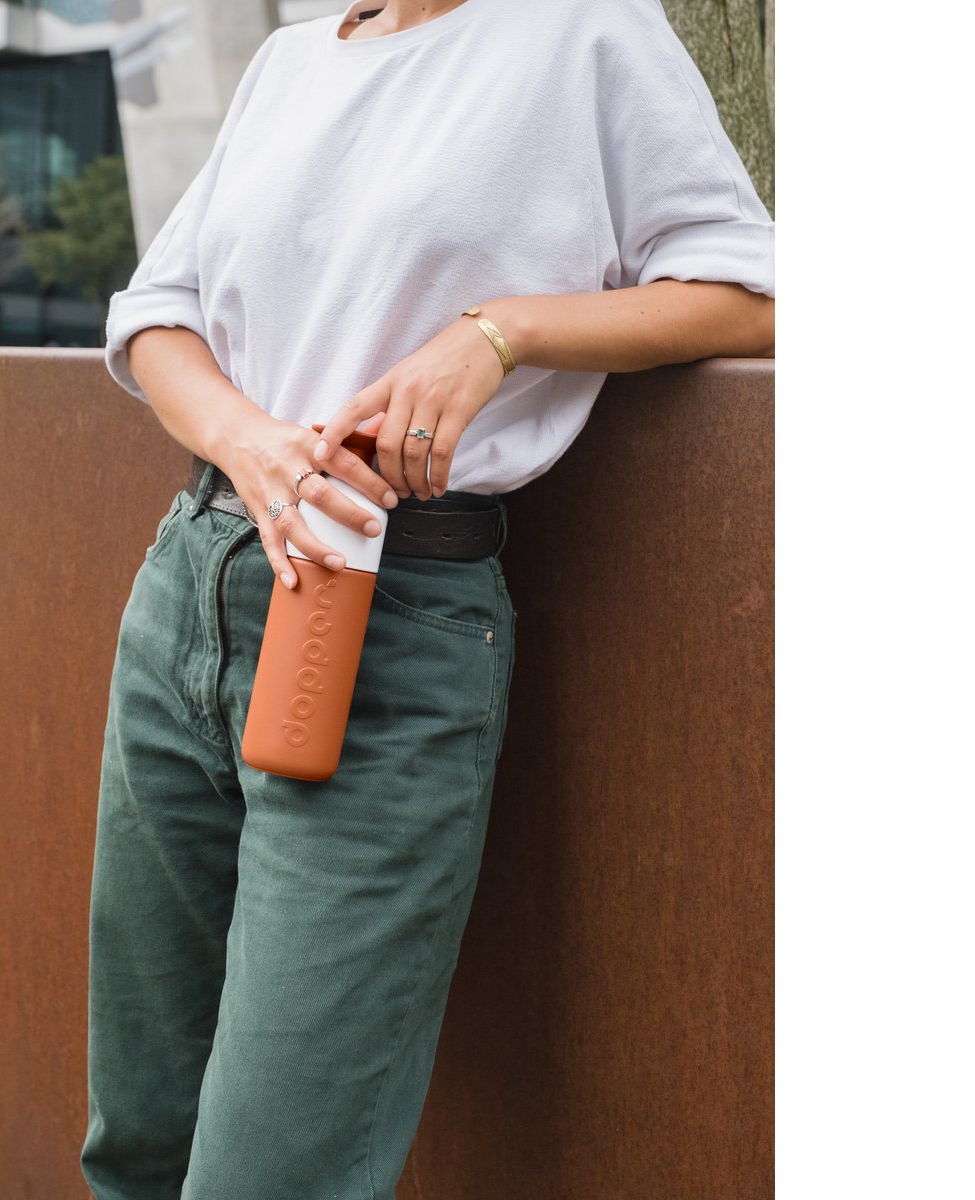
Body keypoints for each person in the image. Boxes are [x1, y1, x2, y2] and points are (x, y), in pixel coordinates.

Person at [80, 0, 775, 1196]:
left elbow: (754, 287)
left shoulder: (583, 33)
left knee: (269, 1176)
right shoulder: (290, 61)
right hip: (191, 584)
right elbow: (156, 315)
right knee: (138, 1141)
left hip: (387, 615)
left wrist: (501, 333)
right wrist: (249, 443)